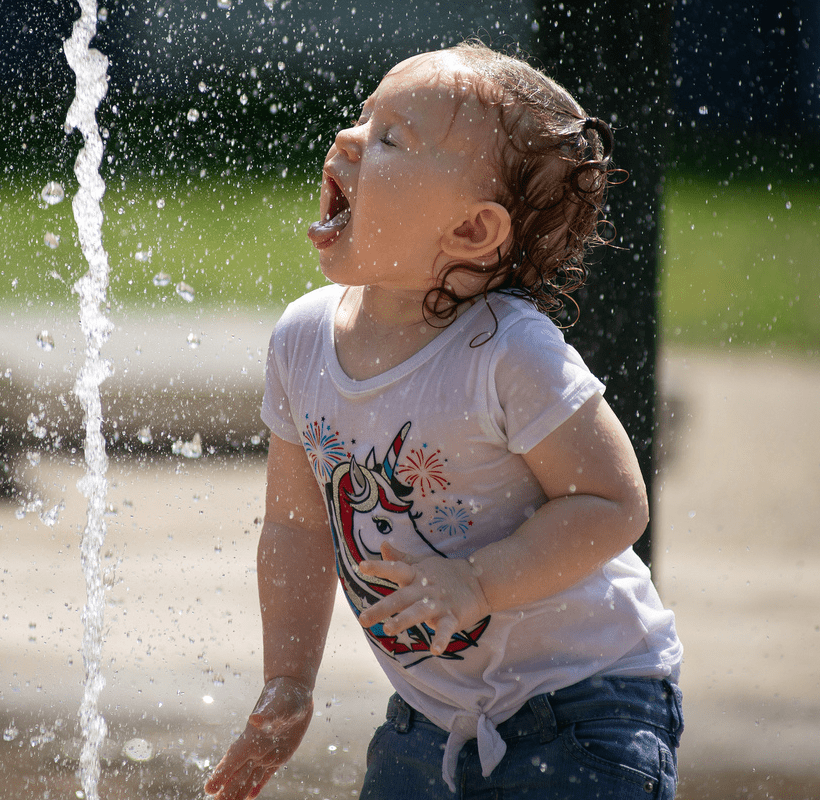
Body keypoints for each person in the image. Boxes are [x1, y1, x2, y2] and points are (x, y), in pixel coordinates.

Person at [204, 40, 682, 800]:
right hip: (430, 719)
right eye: (363, 118)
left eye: (392, 139)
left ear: (469, 233)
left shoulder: (507, 353)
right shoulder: (302, 341)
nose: (349, 140)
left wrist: (477, 581)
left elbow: (613, 502)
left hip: (588, 707)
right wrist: (288, 681)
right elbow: (297, 526)